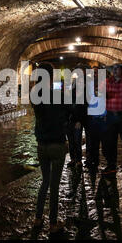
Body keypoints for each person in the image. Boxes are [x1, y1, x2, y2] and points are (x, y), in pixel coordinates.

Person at [31, 62, 70, 233]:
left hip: (41, 145)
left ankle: (38, 218)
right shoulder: (59, 95)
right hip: (57, 144)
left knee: (44, 182)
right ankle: (53, 224)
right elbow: (69, 112)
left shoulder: (34, 95)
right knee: (54, 186)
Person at [85, 65, 108, 170]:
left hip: (103, 117)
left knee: (105, 142)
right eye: (93, 73)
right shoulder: (88, 85)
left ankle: (107, 162)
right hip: (91, 117)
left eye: (96, 73)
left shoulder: (105, 85)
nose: (95, 75)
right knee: (91, 141)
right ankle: (91, 160)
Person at [67, 63, 90, 168]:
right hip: (70, 117)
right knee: (71, 140)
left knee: (77, 139)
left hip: (78, 117)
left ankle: (79, 160)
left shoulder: (85, 85)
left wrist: (79, 120)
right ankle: (73, 159)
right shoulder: (72, 84)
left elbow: (84, 104)